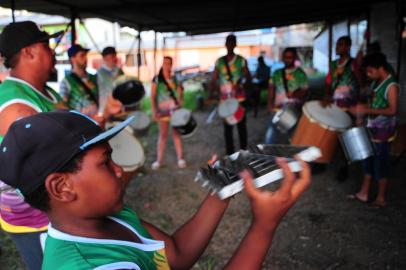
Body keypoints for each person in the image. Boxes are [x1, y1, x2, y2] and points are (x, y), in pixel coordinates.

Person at [0, 110, 312, 270]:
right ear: (62, 186)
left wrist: (222, 189)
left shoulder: (110, 217)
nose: (120, 169)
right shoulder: (95, 265)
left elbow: (175, 255)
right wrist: (264, 226)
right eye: (106, 163)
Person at [0, 21, 65, 270]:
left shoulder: (44, 93)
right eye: (47, 46)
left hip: (55, 211)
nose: (53, 52)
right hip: (36, 218)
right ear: (29, 52)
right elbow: (47, 165)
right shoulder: (17, 106)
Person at [349, 53, 399, 207]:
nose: (368, 74)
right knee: (368, 162)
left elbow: (392, 110)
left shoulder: (391, 86)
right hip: (371, 130)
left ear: (380, 68)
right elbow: (371, 102)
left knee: (381, 165)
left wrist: (367, 109)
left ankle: (381, 198)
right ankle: (364, 193)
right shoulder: (376, 82)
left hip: (383, 134)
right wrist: (361, 114)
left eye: (370, 71)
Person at [211, 34, 252, 155]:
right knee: (228, 127)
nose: (230, 45)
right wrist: (212, 92)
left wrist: (242, 81)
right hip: (225, 100)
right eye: (228, 42)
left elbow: (248, 77)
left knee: (241, 126)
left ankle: (244, 152)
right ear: (225, 44)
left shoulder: (241, 60)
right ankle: (230, 154)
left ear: (235, 44)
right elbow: (214, 79)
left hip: (239, 99)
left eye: (232, 42)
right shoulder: (219, 61)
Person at [265, 47, 309, 144]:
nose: (288, 59)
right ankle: (272, 157)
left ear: (295, 58)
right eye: (286, 57)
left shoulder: (300, 74)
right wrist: (270, 105)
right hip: (277, 110)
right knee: (270, 139)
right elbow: (271, 90)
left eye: (290, 57)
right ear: (283, 58)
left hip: (294, 111)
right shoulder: (276, 73)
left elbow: (305, 92)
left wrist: (296, 93)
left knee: (292, 140)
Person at [151, 56, 186, 170]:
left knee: (176, 134)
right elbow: (153, 96)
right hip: (163, 112)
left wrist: (181, 97)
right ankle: (159, 160)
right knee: (163, 135)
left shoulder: (176, 79)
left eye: (169, 63)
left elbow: (180, 94)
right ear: (162, 64)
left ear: (171, 65)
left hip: (175, 111)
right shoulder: (157, 79)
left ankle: (180, 158)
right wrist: (154, 110)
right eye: (165, 63)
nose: (167, 65)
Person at [60, 44, 100, 118]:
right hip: (80, 123)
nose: (85, 58)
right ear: (73, 59)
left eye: (85, 55)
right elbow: (62, 108)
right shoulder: (66, 81)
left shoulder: (94, 78)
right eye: (82, 55)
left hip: (98, 121)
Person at [325, 36, 361, 109]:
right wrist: (327, 95)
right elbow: (328, 82)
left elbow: (361, 83)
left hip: (349, 103)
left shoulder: (353, 63)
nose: (337, 47)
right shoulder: (333, 64)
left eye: (340, 45)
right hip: (334, 101)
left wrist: (357, 67)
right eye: (337, 45)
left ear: (348, 47)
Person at [97, 46, 124, 115]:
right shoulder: (101, 72)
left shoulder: (118, 70)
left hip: (118, 106)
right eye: (112, 57)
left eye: (115, 56)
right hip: (105, 108)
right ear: (105, 58)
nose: (115, 59)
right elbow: (111, 85)